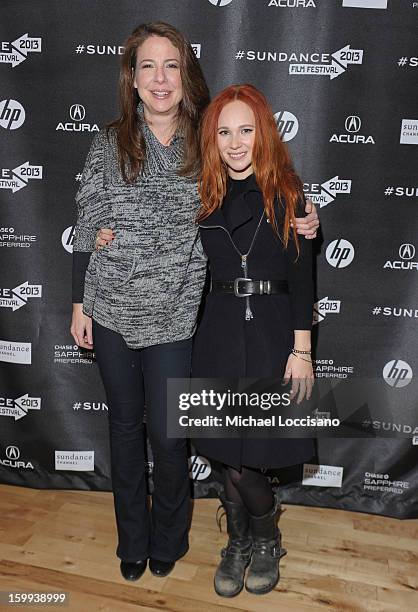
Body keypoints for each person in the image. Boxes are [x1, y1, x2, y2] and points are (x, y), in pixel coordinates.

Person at [72, 22, 319, 584]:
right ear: (131, 80)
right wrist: (79, 301)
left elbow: (260, 199)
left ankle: (173, 539)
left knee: (170, 434)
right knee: (125, 432)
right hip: (112, 308)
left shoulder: (203, 143)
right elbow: (86, 224)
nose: (160, 79)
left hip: (180, 315)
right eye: (147, 67)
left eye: (171, 66)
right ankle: (132, 542)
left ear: (186, 77)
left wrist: (306, 220)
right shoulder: (110, 142)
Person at [191, 84, 315, 597]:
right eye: (224, 132)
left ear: (263, 133)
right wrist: (106, 234)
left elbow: (304, 276)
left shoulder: (289, 194)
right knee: (227, 454)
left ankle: (265, 539)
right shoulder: (203, 196)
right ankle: (239, 542)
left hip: (270, 333)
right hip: (215, 332)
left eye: (246, 130)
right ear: (212, 139)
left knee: (250, 457)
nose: (236, 142)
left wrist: (302, 349)